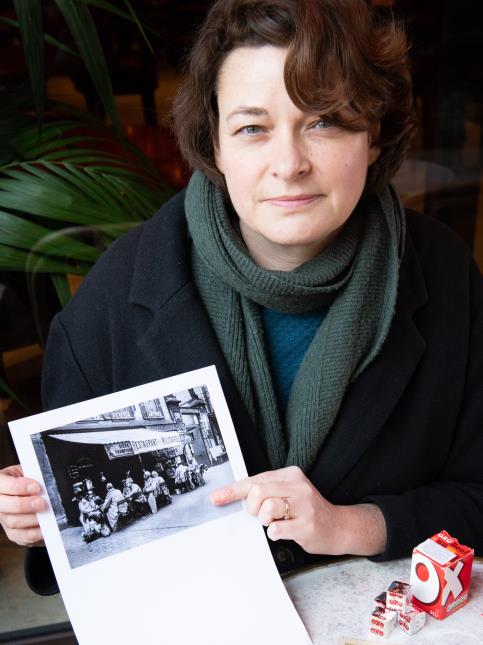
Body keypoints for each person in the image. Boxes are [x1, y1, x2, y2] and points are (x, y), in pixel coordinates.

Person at [0, 0, 482, 597]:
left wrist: (349, 525)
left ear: (376, 134)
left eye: (325, 120)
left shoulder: (446, 274)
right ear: (214, 143)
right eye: (252, 128)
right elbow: (81, 564)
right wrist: (39, 521)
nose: (289, 165)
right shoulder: (111, 304)